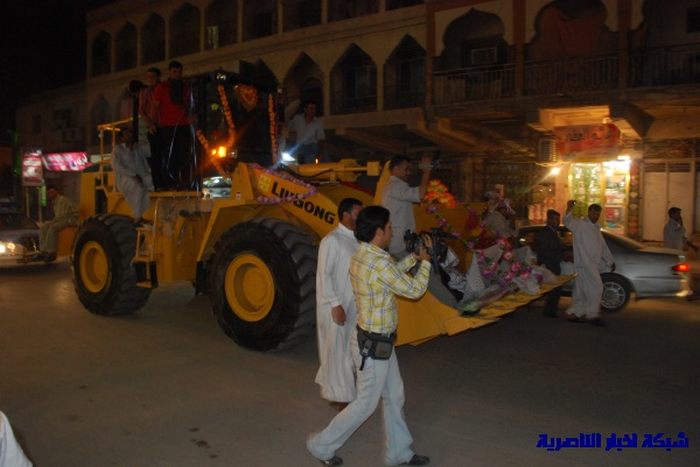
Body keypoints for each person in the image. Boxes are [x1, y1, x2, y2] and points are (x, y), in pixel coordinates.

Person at [307, 205, 432, 466]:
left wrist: (413, 258)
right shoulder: (377, 261)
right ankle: (321, 446)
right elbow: (414, 290)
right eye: (388, 227)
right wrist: (427, 263)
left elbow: (391, 273)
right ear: (378, 232)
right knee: (365, 404)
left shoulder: (364, 254)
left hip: (378, 342)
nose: (391, 231)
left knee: (394, 395)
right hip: (374, 347)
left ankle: (398, 452)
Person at [315, 198, 363, 412]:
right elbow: (324, 275)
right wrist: (335, 304)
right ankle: (337, 395)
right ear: (344, 214)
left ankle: (343, 389)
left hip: (353, 303)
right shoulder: (331, 240)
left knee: (346, 348)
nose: (359, 217)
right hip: (335, 304)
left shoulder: (357, 240)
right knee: (334, 348)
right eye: (356, 213)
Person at [564, 201, 615, 327]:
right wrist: (569, 208)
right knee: (597, 288)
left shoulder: (596, 227)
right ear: (589, 212)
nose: (595, 216)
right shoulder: (580, 224)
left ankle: (577, 313)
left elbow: (603, 246)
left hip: (592, 264)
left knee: (581, 290)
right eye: (593, 213)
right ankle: (592, 315)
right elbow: (567, 221)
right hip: (584, 263)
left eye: (598, 214)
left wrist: (610, 260)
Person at [381, 155, 432, 258]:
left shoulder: (393, 185)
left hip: (399, 241)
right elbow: (420, 195)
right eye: (406, 169)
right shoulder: (396, 185)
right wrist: (426, 171)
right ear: (395, 169)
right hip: (399, 244)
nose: (408, 173)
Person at [153, 60, 194, 190]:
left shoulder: (185, 87)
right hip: (167, 126)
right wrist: (153, 123)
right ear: (170, 72)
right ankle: (171, 183)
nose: (177, 74)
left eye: (179, 72)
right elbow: (155, 107)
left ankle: (183, 182)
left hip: (182, 124)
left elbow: (189, 106)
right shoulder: (162, 87)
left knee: (183, 154)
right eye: (174, 71)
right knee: (170, 155)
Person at [111, 127, 154, 224]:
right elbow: (116, 166)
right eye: (127, 133)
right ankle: (138, 217)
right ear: (122, 137)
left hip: (142, 176)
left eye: (131, 133)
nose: (130, 135)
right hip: (125, 178)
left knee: (153, 181)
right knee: (138, 187)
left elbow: (151, 151)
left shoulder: (138, 148)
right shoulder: (118, 150)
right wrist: (133, 175)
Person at [534, 209, 564, 317]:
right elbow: (544, 250)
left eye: (558, 219)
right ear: (549, 220)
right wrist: (559, 256)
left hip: (553, 263)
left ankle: (551, 310)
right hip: (549, 265)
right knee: (554, 288)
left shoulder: (553, 232)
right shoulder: (545, 233)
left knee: (555, 288)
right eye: (555, 219)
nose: (558, 222)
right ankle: (550, 311)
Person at [36, 186, 78, 262]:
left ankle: (52, 252)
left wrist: (51, 222)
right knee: (44, 227)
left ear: (56, 192)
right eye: (49, 193)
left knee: (53, 228)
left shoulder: (62, 200)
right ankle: (43, 251)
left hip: (70, 219)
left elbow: (61, 216)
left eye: (52, 192)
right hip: (63, 218)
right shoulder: (55, 202)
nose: (50, 194)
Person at [139, 67, 162, 188]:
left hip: (165, 125)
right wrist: (150, 124)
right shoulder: (145, 92)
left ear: (158, 77)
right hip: (153, 127)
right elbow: (142, 111)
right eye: (148, 77)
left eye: (153, 76)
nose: (150, 79)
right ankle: (157, 184)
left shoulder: (163, 89)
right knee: (156, 156)